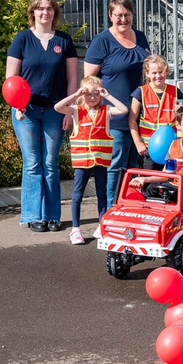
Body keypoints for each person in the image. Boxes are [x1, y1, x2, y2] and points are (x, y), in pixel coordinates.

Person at [6, 0, 78, 233]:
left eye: (49, 8)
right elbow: (10, 78)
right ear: (33, 12)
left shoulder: (64, 41)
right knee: (33, 163)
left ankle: (52, 215)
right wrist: (17, 105)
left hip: (56, 111)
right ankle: (33, 215)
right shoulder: (22, 39)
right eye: (40, 8)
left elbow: (72, 80)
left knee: (50, 163)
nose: (45, 12)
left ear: (54, 12)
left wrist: (69, 111)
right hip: (26, 112)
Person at [84, 0, 152, 206]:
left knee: (134, 166)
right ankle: (108, 211)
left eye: (127, 15)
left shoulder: (140, 37)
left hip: (141, 116)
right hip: (114, 117)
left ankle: (129, 208)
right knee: (115, 166)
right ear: (111, 16)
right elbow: (88, 81)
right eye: (119, 15)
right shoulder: (102, 41)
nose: (123, 19)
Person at [55, 77, 128, 245]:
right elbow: (57, 107)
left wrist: (108, 95)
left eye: (96, 94)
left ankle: (101, 227)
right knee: (77, 194)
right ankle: (75, 229)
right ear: (82, 95)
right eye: (88, 94)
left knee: (101, 195)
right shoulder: (76, 110)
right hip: (82, 161)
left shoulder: (107, 110)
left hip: (101, 160)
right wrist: (75, 94)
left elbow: (123, 109)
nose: (92, 98)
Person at [129, 104, 183, 223]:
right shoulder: (174, 145)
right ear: (178, 125)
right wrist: (145, 179)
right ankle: (153, 224)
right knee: (150, 189)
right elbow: (166, 175)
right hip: (177, 187)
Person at [129, 54, 181, 171]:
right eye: (154, 73)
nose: (158, 76)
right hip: (148, 150)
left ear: (166, 71)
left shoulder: (176, 92)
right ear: (147, 73)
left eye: (161, 72)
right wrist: (138, 143)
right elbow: (132, 120)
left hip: (171, 149)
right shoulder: (140, 92)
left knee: (170, 183)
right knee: (149, 184)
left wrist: (181, 111)